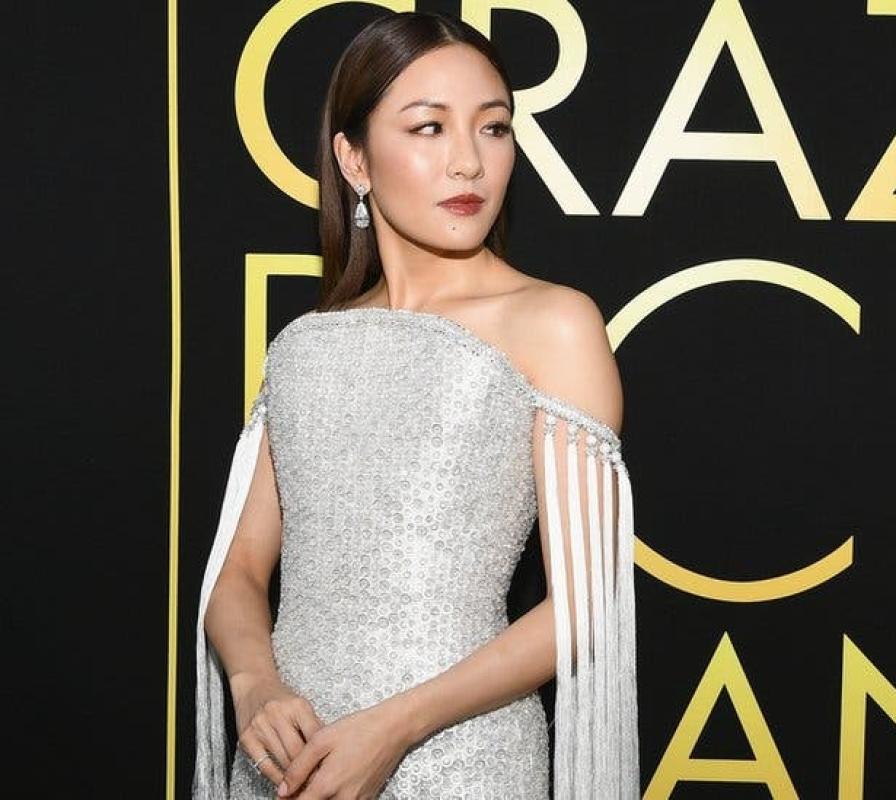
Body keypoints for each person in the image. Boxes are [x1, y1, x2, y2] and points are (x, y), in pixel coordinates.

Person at [193, 11, 640, 799]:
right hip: (286, 760)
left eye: (493, 128)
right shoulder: (303, 347)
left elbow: (584, 603)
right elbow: (238, 572)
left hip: (462, 759)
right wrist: (255, 685)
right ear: (354, 159)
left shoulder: (554, 323)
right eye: (429, 128)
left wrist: (395, 728)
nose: (469, 161)